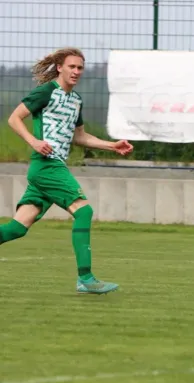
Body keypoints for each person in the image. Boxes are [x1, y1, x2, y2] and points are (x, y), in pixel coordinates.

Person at [2, 47, 134, 294]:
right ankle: (85, 278)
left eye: (80, 68)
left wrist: (111, 145)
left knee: (17, 228)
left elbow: (80, 136)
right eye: (71, 66)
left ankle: (86, 279)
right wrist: (34, 142)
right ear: (59, 67)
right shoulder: (46, 91)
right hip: (46, 165)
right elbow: (14, 118)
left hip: (51, 168)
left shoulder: (76, 100)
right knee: (84, 211)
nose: (76, 71)